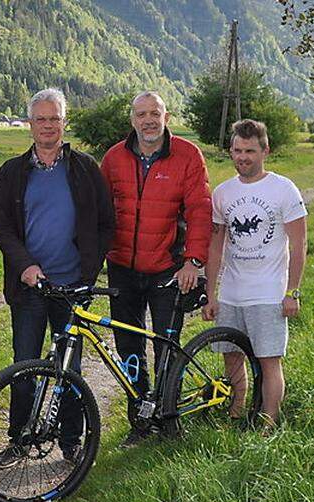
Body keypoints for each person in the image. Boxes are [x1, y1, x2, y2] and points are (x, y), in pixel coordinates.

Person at [0, 88, 115, 468]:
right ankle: (20, 439)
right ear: (30, 124)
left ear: (65, 122)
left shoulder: (84, 168)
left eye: (55, 118)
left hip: (72, 287)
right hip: (29, 288)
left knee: (71, 370)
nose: (48, 126)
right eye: (41, 119)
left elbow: (105, 224)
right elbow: (3, 226)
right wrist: (25, 266)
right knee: (24, 363)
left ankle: (70, 441)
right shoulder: (13, 171)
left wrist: (87, 272)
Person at [100, 91, 212, 445]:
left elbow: (199, 209)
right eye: (141, 114)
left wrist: (193, 261)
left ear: (166, 116)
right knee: (128, 346)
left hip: (168, 269)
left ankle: (168, 418)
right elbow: (100, 212)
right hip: (122, 269)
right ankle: (140, 419)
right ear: (132, 119)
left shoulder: (187, 155)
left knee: (166, 346)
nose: (148, 120)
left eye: (155, 113)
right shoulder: (115, 158)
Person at [204, 119, 308, 427]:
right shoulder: (223, 193)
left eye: (250, 150)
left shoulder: (283, 189)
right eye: (237, 150)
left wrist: (292, 292)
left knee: (268, 361)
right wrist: (211, 294)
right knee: (232, 358)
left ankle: (268, 423)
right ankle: (236, 414)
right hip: (233, 293)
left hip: (268, 293)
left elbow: (299, 244)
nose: (242, 157)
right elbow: (215, 248)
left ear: (265, 151)